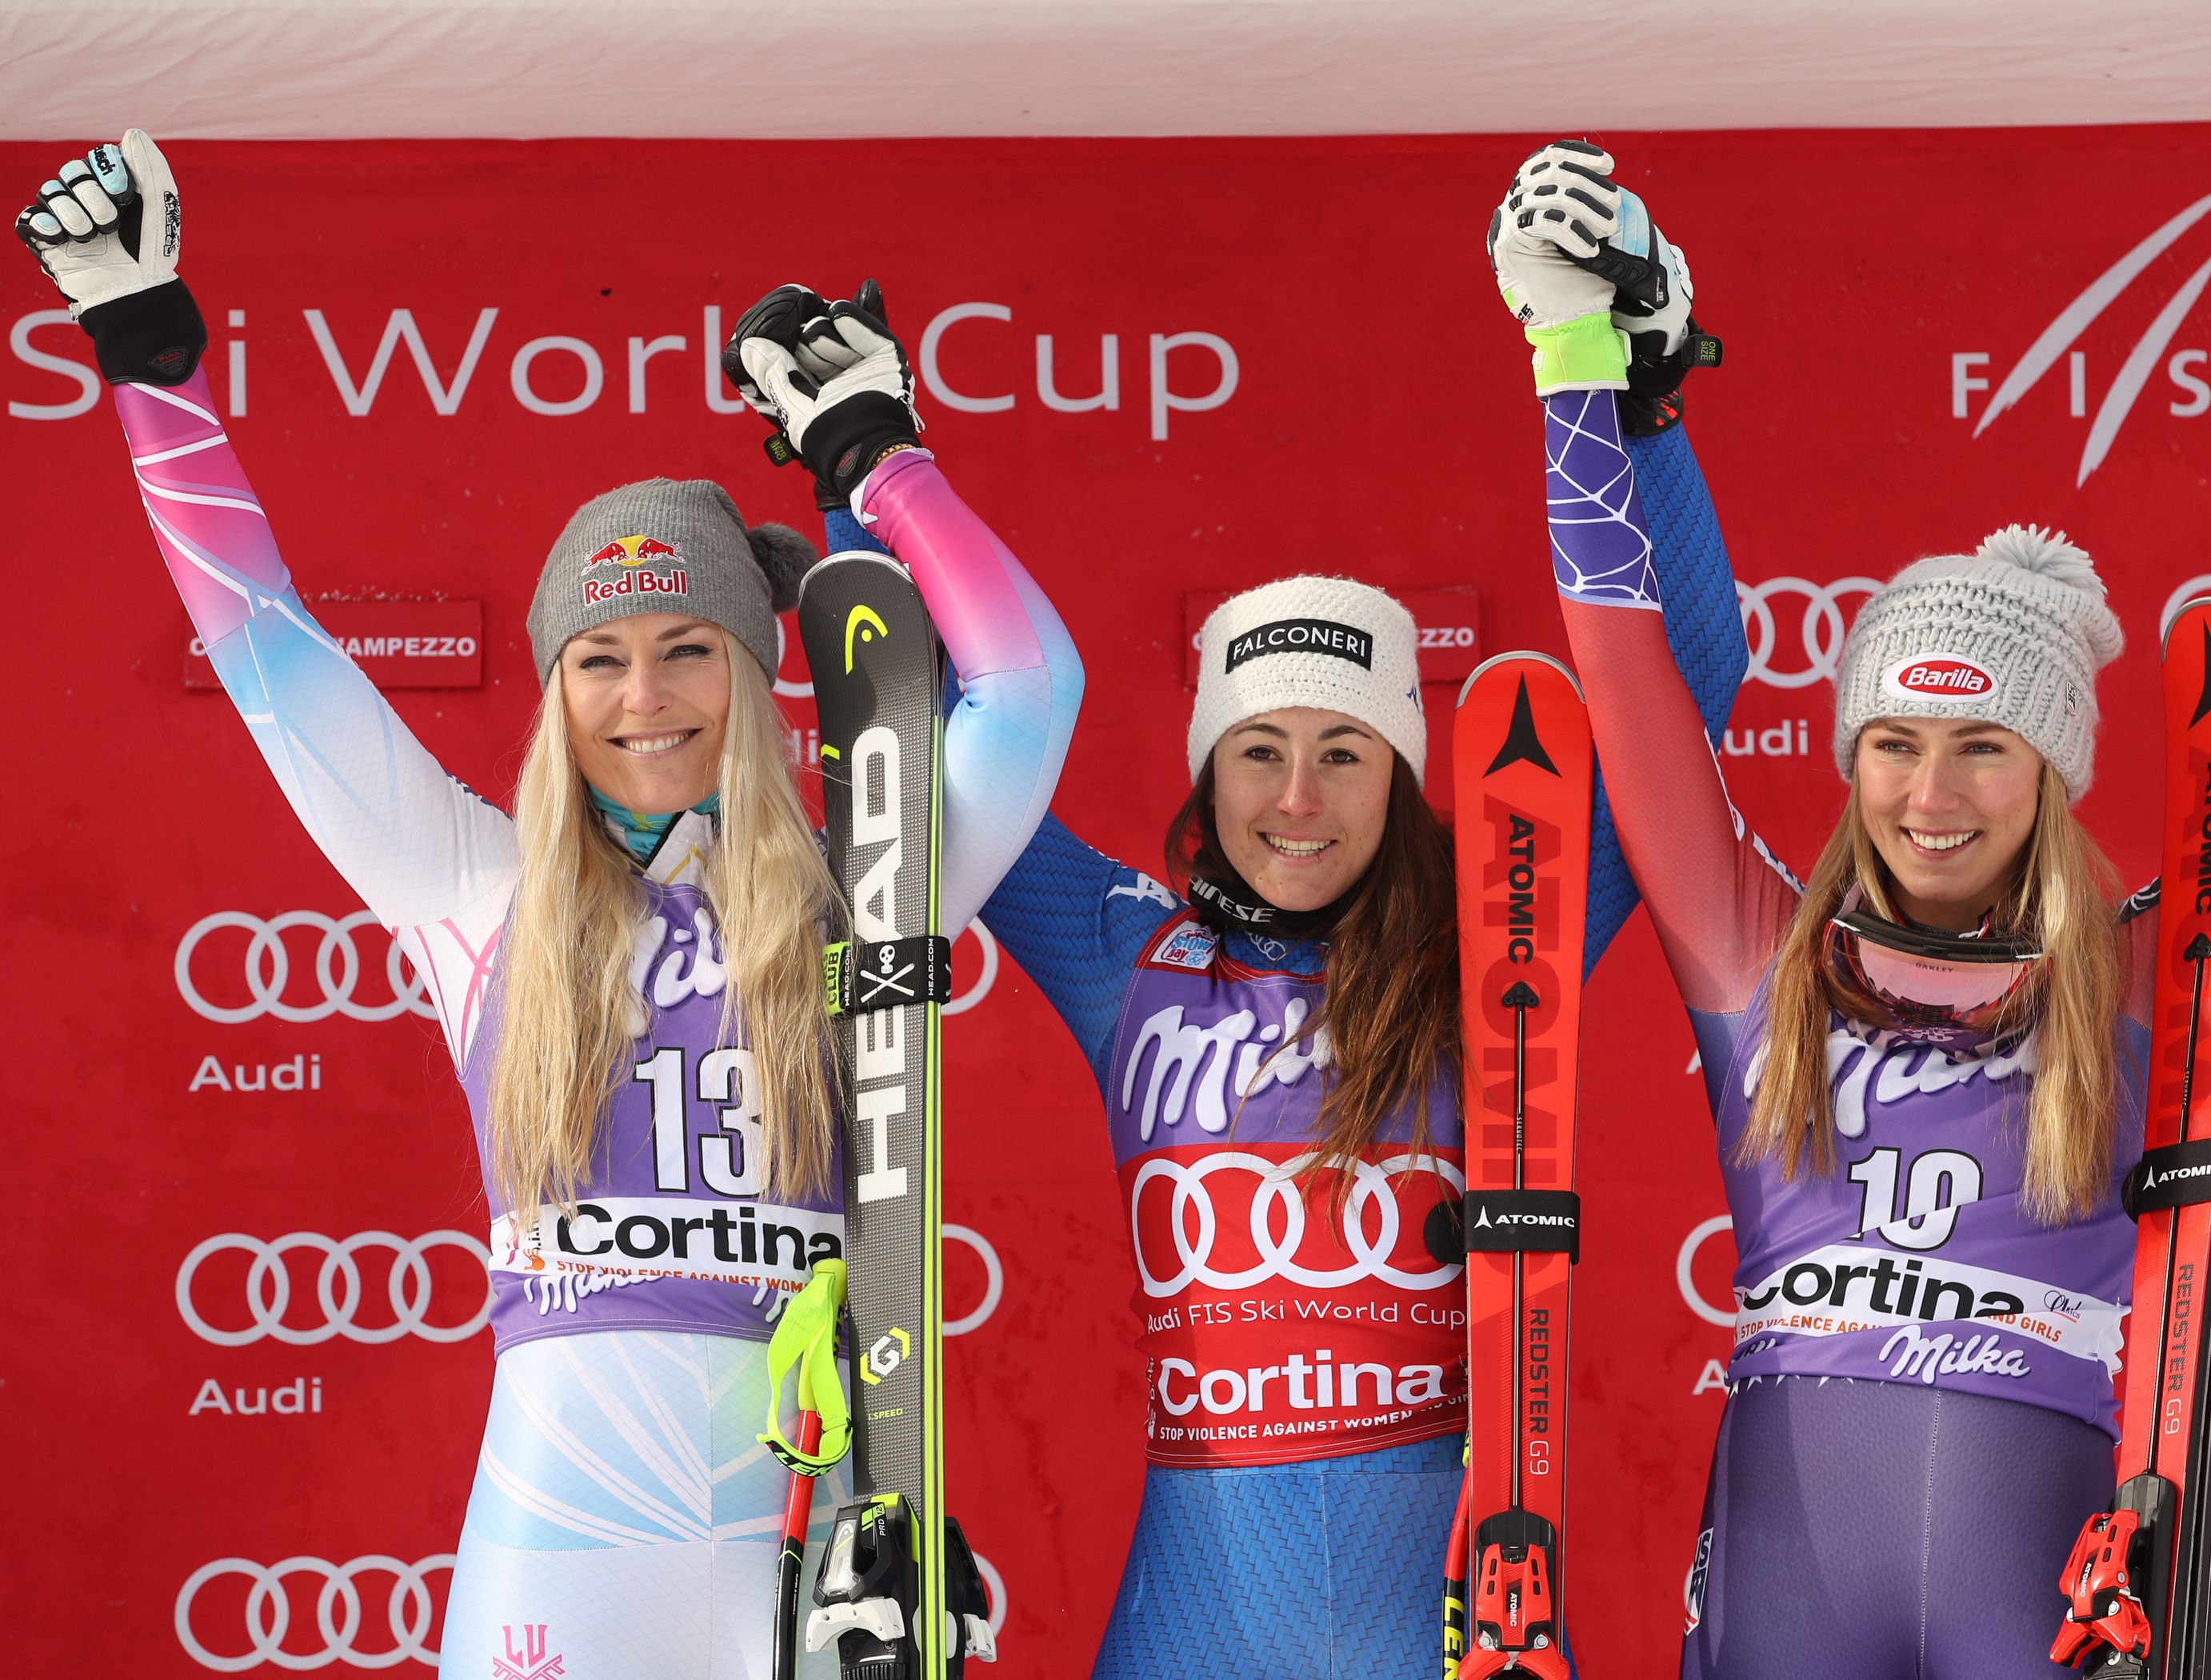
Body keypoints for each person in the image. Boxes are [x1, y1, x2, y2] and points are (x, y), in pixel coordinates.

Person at [1487, 142, 2211, 1677]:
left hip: (2040, 1554)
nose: (1930, 795)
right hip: (1790, 1571)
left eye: (1982, 748)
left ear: (2053, 767)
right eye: (1895, 745)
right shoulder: (1762, 949)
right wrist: (1572, 357)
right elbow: (1618, 667)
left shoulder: (2143, 970)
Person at [18, 134, 1081, 1680]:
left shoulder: (877, 871)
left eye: (690, 647)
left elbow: (1031, 684)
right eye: (600, 658)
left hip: (809, 1495)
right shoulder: (472, 882)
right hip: (563, 1521)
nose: (644, 697)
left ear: (757, 668)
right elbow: (268, 649)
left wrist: (873, 456)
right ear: (555, 687)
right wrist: (147, 353)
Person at [737, 227, 1742, 1674]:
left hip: (1454, 1610)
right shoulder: (1122, 953)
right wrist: (865, 474)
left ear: (1401, 779)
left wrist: (1637, 404)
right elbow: (915, 718)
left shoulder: (1502, 937)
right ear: (1209, 777)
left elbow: (1682, 699)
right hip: (1195, 1612)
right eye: (1258, 752)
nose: (1297, 797)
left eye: (1345, 754)